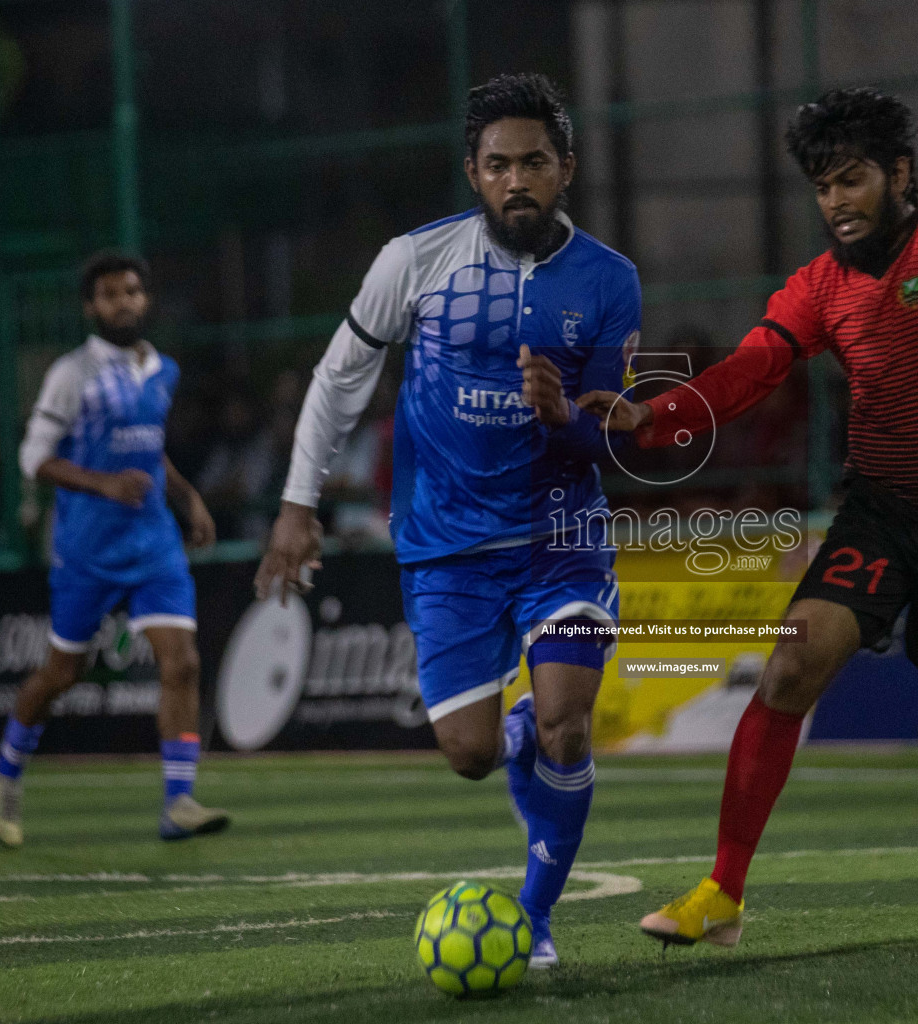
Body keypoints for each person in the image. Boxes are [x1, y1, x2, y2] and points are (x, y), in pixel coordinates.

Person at [580, 87, 918, 948]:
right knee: (790, 669)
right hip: (882, 511)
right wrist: (658, 416)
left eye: (852, 179)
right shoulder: (821, 287)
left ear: (898, 174)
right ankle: (722, 893)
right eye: (822, 185)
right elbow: (751, 369)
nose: (834, 201)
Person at [253, 73, 641, 970]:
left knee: (567, 728)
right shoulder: (413, 261)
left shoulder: (609, 280)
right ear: (472, 172)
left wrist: (566, 420)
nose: (517, 180)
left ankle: (537, 918)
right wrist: (296, 503)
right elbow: (340, 377)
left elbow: (614, 431)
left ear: (565, 168)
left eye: (534, 162)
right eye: (498, 164)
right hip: (446, 547)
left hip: (560, 538)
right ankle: (508, 734)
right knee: (469, 754)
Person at [0, 250, 223, 848]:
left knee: (183, 662)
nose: (125, 302)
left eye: (133, 291)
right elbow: (32, 458)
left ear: (146, 299)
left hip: (153, 544)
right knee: (64, 672)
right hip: (87, 548)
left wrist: (187, 498)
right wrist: (103, 485)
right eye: (111, 294)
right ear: (91, 307)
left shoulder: (162, 369)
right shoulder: (73, 373)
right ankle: (6, 767)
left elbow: (149, 452)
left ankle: (178, 801)